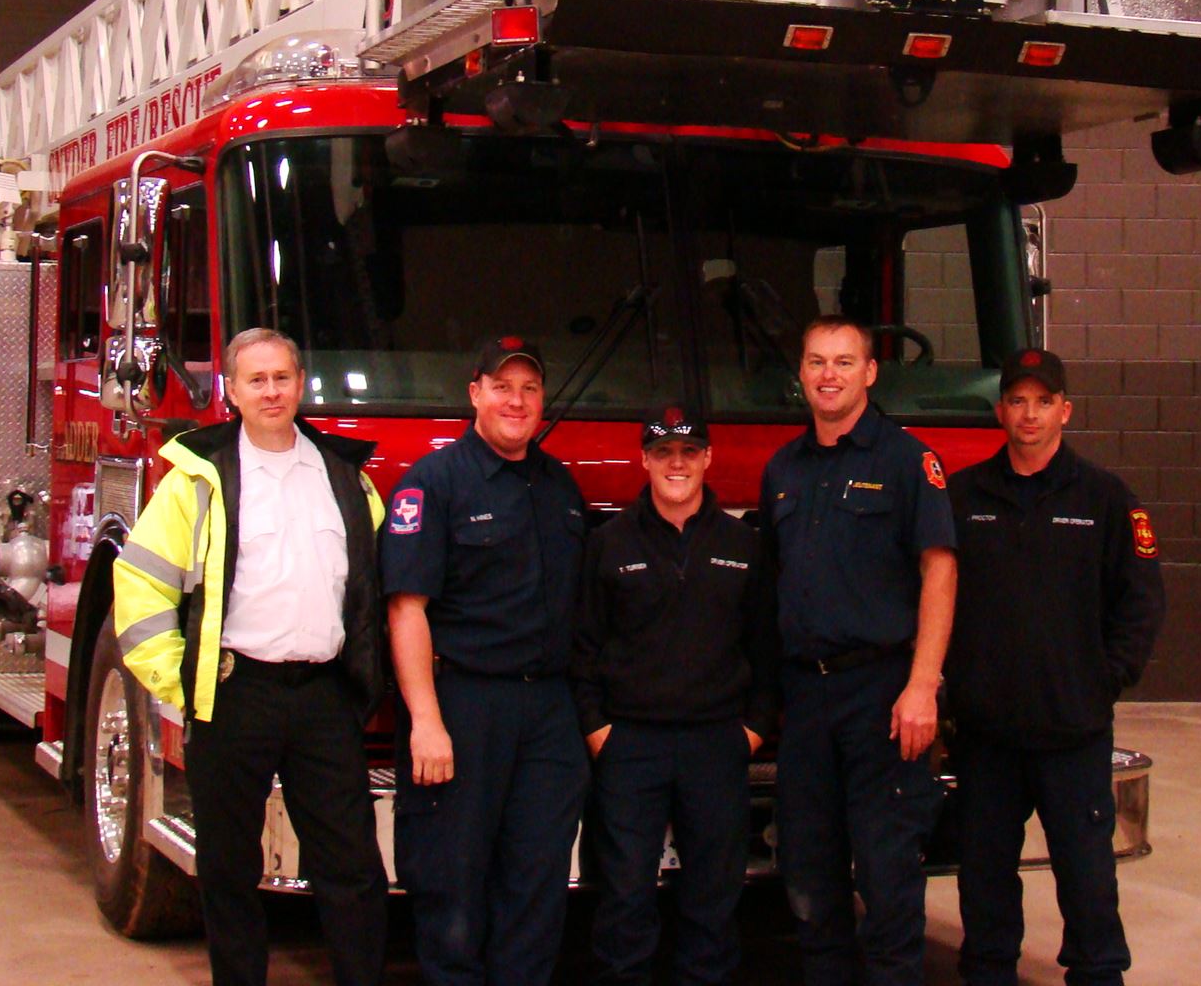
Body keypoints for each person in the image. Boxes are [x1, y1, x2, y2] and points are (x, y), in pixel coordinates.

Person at [113, 327, 387, 986]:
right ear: (231, 392)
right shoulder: (197, 481)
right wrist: (179, 678)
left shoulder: (346, 477)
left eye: (282, 378)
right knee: (229, 871)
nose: (271, 390)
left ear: (300, 386)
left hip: (325, 698)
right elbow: (142, 580)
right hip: (234, 693)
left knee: (352, 868)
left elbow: (377, 587)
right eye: (255, 380)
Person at [944, 347, 1166, 986]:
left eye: (1044, 402)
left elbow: (1142, 601)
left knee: (1088, 881)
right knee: (984, 882)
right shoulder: (964, 498)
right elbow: (933, 595)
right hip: (987, 737)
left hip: (1073, 734)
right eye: (1018, 401)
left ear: (1065, 410)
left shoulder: (1105, 498)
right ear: (1000, 412)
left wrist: (1106, 679)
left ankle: (1098, 975)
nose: (1030, 414)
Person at [379, 336, 591, 986]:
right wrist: (425, 720)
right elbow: (406, 610)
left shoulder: (560, 487)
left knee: (538, 883)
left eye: (529, 389)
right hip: (466, 708)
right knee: (454, 882)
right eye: (503, 387)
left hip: (549, 711)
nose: (517, 401)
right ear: (475, 392)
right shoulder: (434, 484)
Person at [758, 315, 957, 986]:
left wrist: (923, 684)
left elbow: (939, 570)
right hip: (806, 701)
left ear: (871, 372)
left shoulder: (907, 461)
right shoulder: (783, 467)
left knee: (887, 880)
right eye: (817, 362)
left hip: (882, 696)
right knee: (809, 877)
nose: (829, 375)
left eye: (845, 362)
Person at [572, 404, 779, 986]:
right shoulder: (609, 543)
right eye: (664, 453)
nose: (677, 464)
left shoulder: (745, 544)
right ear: (644, 459)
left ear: (708, 458)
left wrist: (753, 729)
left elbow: (767, 647)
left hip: (717, 746)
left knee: (713, 903)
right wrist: (597, 730)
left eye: (689, 452)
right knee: (624, 900)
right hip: (629, 747)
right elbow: (583, 646)